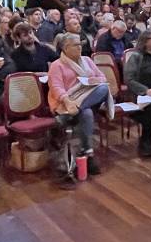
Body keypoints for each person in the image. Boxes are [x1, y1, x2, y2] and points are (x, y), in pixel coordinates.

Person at [46, 33, 110, 170]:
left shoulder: (87, 60)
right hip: (65, 102)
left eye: (80, 44)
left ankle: (68, 115)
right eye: (76, 45)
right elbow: (56, 87)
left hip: (86, 99)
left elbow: (103, 77)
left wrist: (96, 80)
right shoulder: (57, 65)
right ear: (66, 48)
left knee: (104, 88)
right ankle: (88, 153)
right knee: (86, 114)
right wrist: (68, 102)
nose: (80, 47)